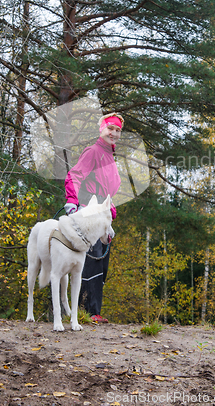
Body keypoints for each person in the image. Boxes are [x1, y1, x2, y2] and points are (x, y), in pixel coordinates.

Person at [64, 112, 124, 323]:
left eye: (118, 130)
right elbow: (75, 175)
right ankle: (80, 312)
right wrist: (72, 202)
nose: (114, 133)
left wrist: (110, 208)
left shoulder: (109, 156)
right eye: (111, 128)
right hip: (89, 210)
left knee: (101, 263)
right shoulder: (94, 151)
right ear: (102, 129)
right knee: (91, 260)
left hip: (102, 214)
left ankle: (92, 311)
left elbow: (108, 190)